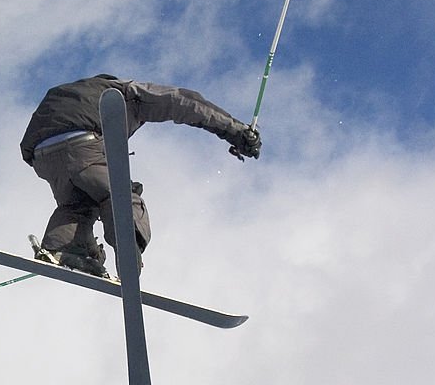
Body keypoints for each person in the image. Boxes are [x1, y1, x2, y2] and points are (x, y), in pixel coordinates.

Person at [20, 74, 261, 279]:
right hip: (82, 141)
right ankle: (127, 250)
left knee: (79, 205)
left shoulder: (76, 94)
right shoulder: (129, 94)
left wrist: (93, 254)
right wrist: (236, 131)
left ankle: (64, 248)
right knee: (122, 196)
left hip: (43, 158)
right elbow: (185, 104)